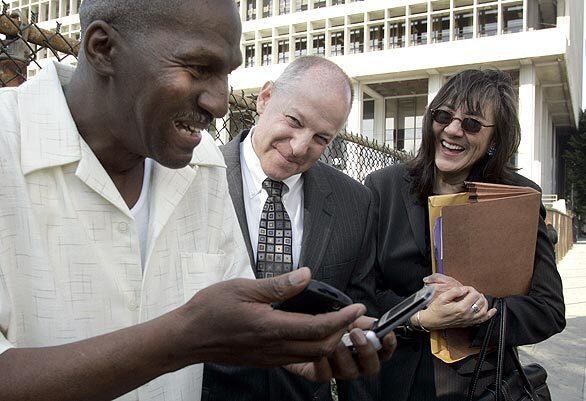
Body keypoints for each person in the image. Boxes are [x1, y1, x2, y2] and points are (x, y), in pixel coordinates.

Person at [0, 1, 395, 400]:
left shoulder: (203, 165)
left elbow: (234, 317)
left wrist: (291, 347)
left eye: (226, 74)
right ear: (103, 48)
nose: (220, 103)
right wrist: (180, 339)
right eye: (197, 69)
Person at [365, 69, 565, 401]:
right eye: (443, 116)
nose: (453, 130)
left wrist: (479, 309)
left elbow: (548, 309)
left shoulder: (518, 197)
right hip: (394, 382)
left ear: (495, 139)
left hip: (481, 384)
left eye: (471, 123)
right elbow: (362, 291)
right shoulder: (381, 187)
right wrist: (416, 317)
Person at [203, 56, 377, 401]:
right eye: (294, 121)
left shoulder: (355, 202)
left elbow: (357, 319)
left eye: (321, 138)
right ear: (265, 98)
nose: (299, 147)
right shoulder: (196, 175)